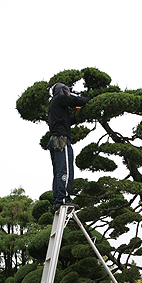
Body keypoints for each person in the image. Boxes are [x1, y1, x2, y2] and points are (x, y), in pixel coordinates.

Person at [47, 83, 90, 211]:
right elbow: (76, 100)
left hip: (54, 140)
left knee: (58, 171)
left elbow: (68, 120)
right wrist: (92, 100)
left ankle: (57, 200)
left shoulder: (54, 106)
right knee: (65, 170)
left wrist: (81, 116)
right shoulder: (59, 99)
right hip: (61, 140)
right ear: (62, 91)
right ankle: (63, 199)